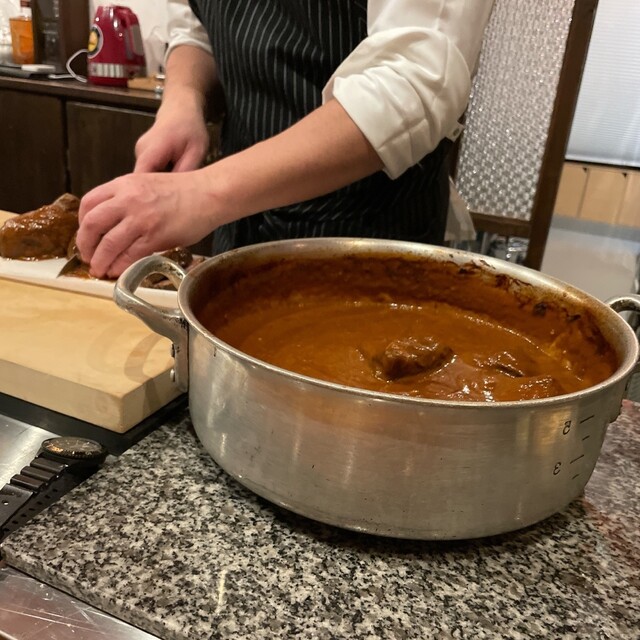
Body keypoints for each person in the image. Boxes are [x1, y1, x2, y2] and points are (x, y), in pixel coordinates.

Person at [76, 0, 494, 279]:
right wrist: (183, 98)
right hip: (234, 224)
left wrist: (203, 192)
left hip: (365, 238)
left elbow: (414, 77)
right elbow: (194, 23)